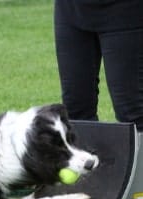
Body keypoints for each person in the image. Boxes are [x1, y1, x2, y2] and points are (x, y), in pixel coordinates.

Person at [54, 0, 143, 129]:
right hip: (71, 9)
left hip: (126, 10)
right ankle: (84, 148)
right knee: (75, 109)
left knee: (131, 111)